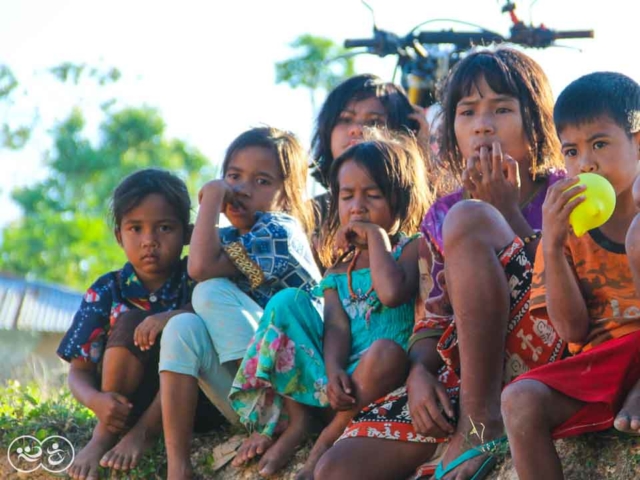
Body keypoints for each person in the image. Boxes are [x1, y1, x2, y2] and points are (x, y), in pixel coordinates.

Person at [314, 46, 567, 480]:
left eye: (502, 109)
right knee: (337, 469)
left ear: (536, 124)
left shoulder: (563, 191)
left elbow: (567, 293)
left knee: (470, 219)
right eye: (467, 112)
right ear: (451, 129)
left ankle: (480, 425)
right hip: (463, 374)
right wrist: (418, 374)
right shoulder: (440, 212)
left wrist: (503, 211)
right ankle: (469, 417)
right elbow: (432, 317)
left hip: (548, 352)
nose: (483, 125)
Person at [228, 134, 432, 478]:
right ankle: (298, 420)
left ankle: (326, 439)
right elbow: (336, 327)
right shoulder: (338, 271)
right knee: (287, 301)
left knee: (385, 351)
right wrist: (334, 369)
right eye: (347, 196)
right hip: (344, 387)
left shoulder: (410, 250)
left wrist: (377, 239)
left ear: (401, 200)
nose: (358, 207)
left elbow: (391, 294)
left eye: (373, 195)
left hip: (389, 377)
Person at [158, 126, 322, 480]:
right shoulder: (237, 237)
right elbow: (201, 256)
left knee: (207, 291)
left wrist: (214, 195)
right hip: (253, 399)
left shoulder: (280, 231)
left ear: (288, 193)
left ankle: (288, 420)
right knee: (182, 327)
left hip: (302, 389)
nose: (243, 189)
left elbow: (200, 267)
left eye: (262, 181)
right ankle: (178, 466)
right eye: (234, 176)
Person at [501, 71, 640, 480]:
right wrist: (554, 244)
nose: (587, 163)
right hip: (606, 364)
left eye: (599, 144)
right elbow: (573, 330)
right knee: (519, 401)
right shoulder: (565, 233)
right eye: (572, 152)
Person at [59, 168, 221, 480]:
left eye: (164, 228)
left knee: (184, 331)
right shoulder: (106, 290)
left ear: (187, 234)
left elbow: (210, 324)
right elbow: (78, 372)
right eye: (135, 228)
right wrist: (96, 401)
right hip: (123, 402)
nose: (149, 241)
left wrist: (167, 319)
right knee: (131, 320)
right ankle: (103, 436)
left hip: (187, 403)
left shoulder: (198, 280)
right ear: (119, 236)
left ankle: (144, 434)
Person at [310, 74, 431, 232]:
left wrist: (423, 156)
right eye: (346, 119)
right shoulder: (307, 216)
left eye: (374, 122)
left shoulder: (432, 213)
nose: (356, 129)